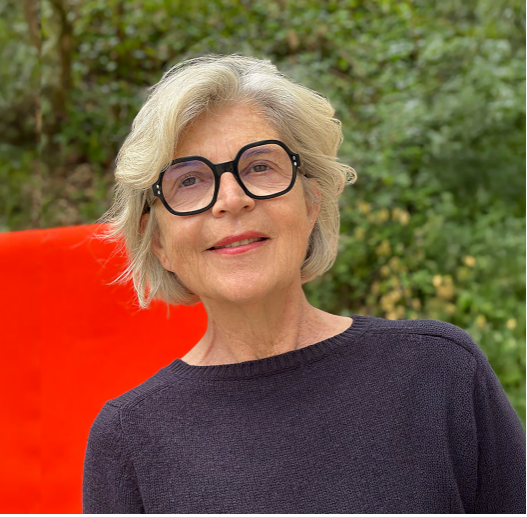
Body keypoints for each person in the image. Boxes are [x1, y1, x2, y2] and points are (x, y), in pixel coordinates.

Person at [82, 55, 526, 514]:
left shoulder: (439, 372)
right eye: (189, 180)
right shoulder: (129, 439)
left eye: (259, 166)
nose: (231, 199)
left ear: (312, 201)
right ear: (158, 241)